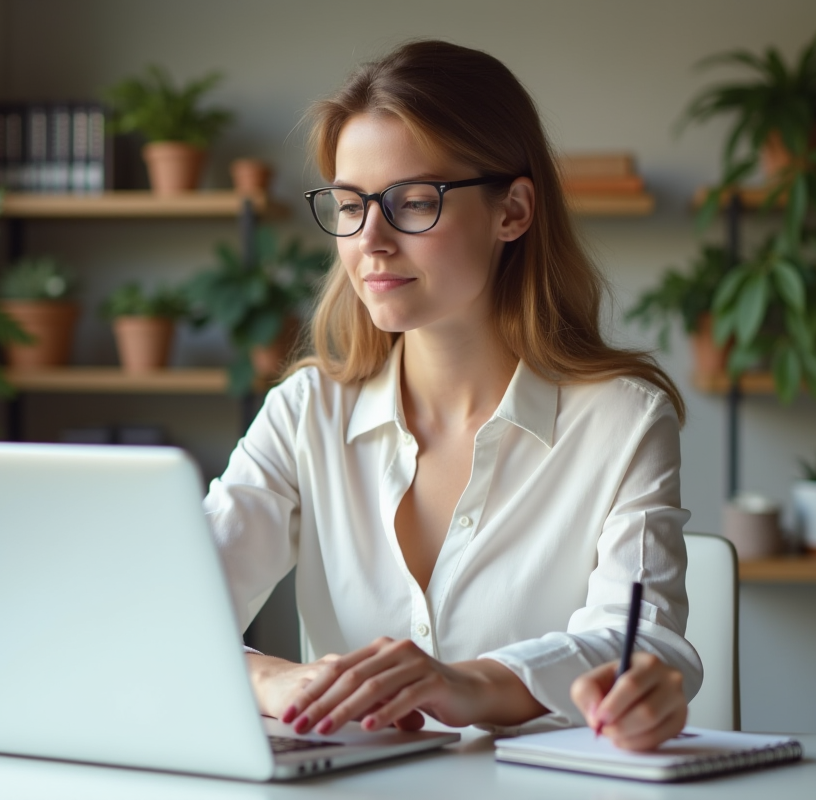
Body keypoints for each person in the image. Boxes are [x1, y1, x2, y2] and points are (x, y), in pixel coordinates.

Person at [203, 39, 702, 752]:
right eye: (349, 205)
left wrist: (467, 684)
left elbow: (644, 644)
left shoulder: (621, 418)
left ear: (514, 211)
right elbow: (174, 611)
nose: (369, 240)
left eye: (412, 202)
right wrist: (271, 681)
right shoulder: (305, 411)